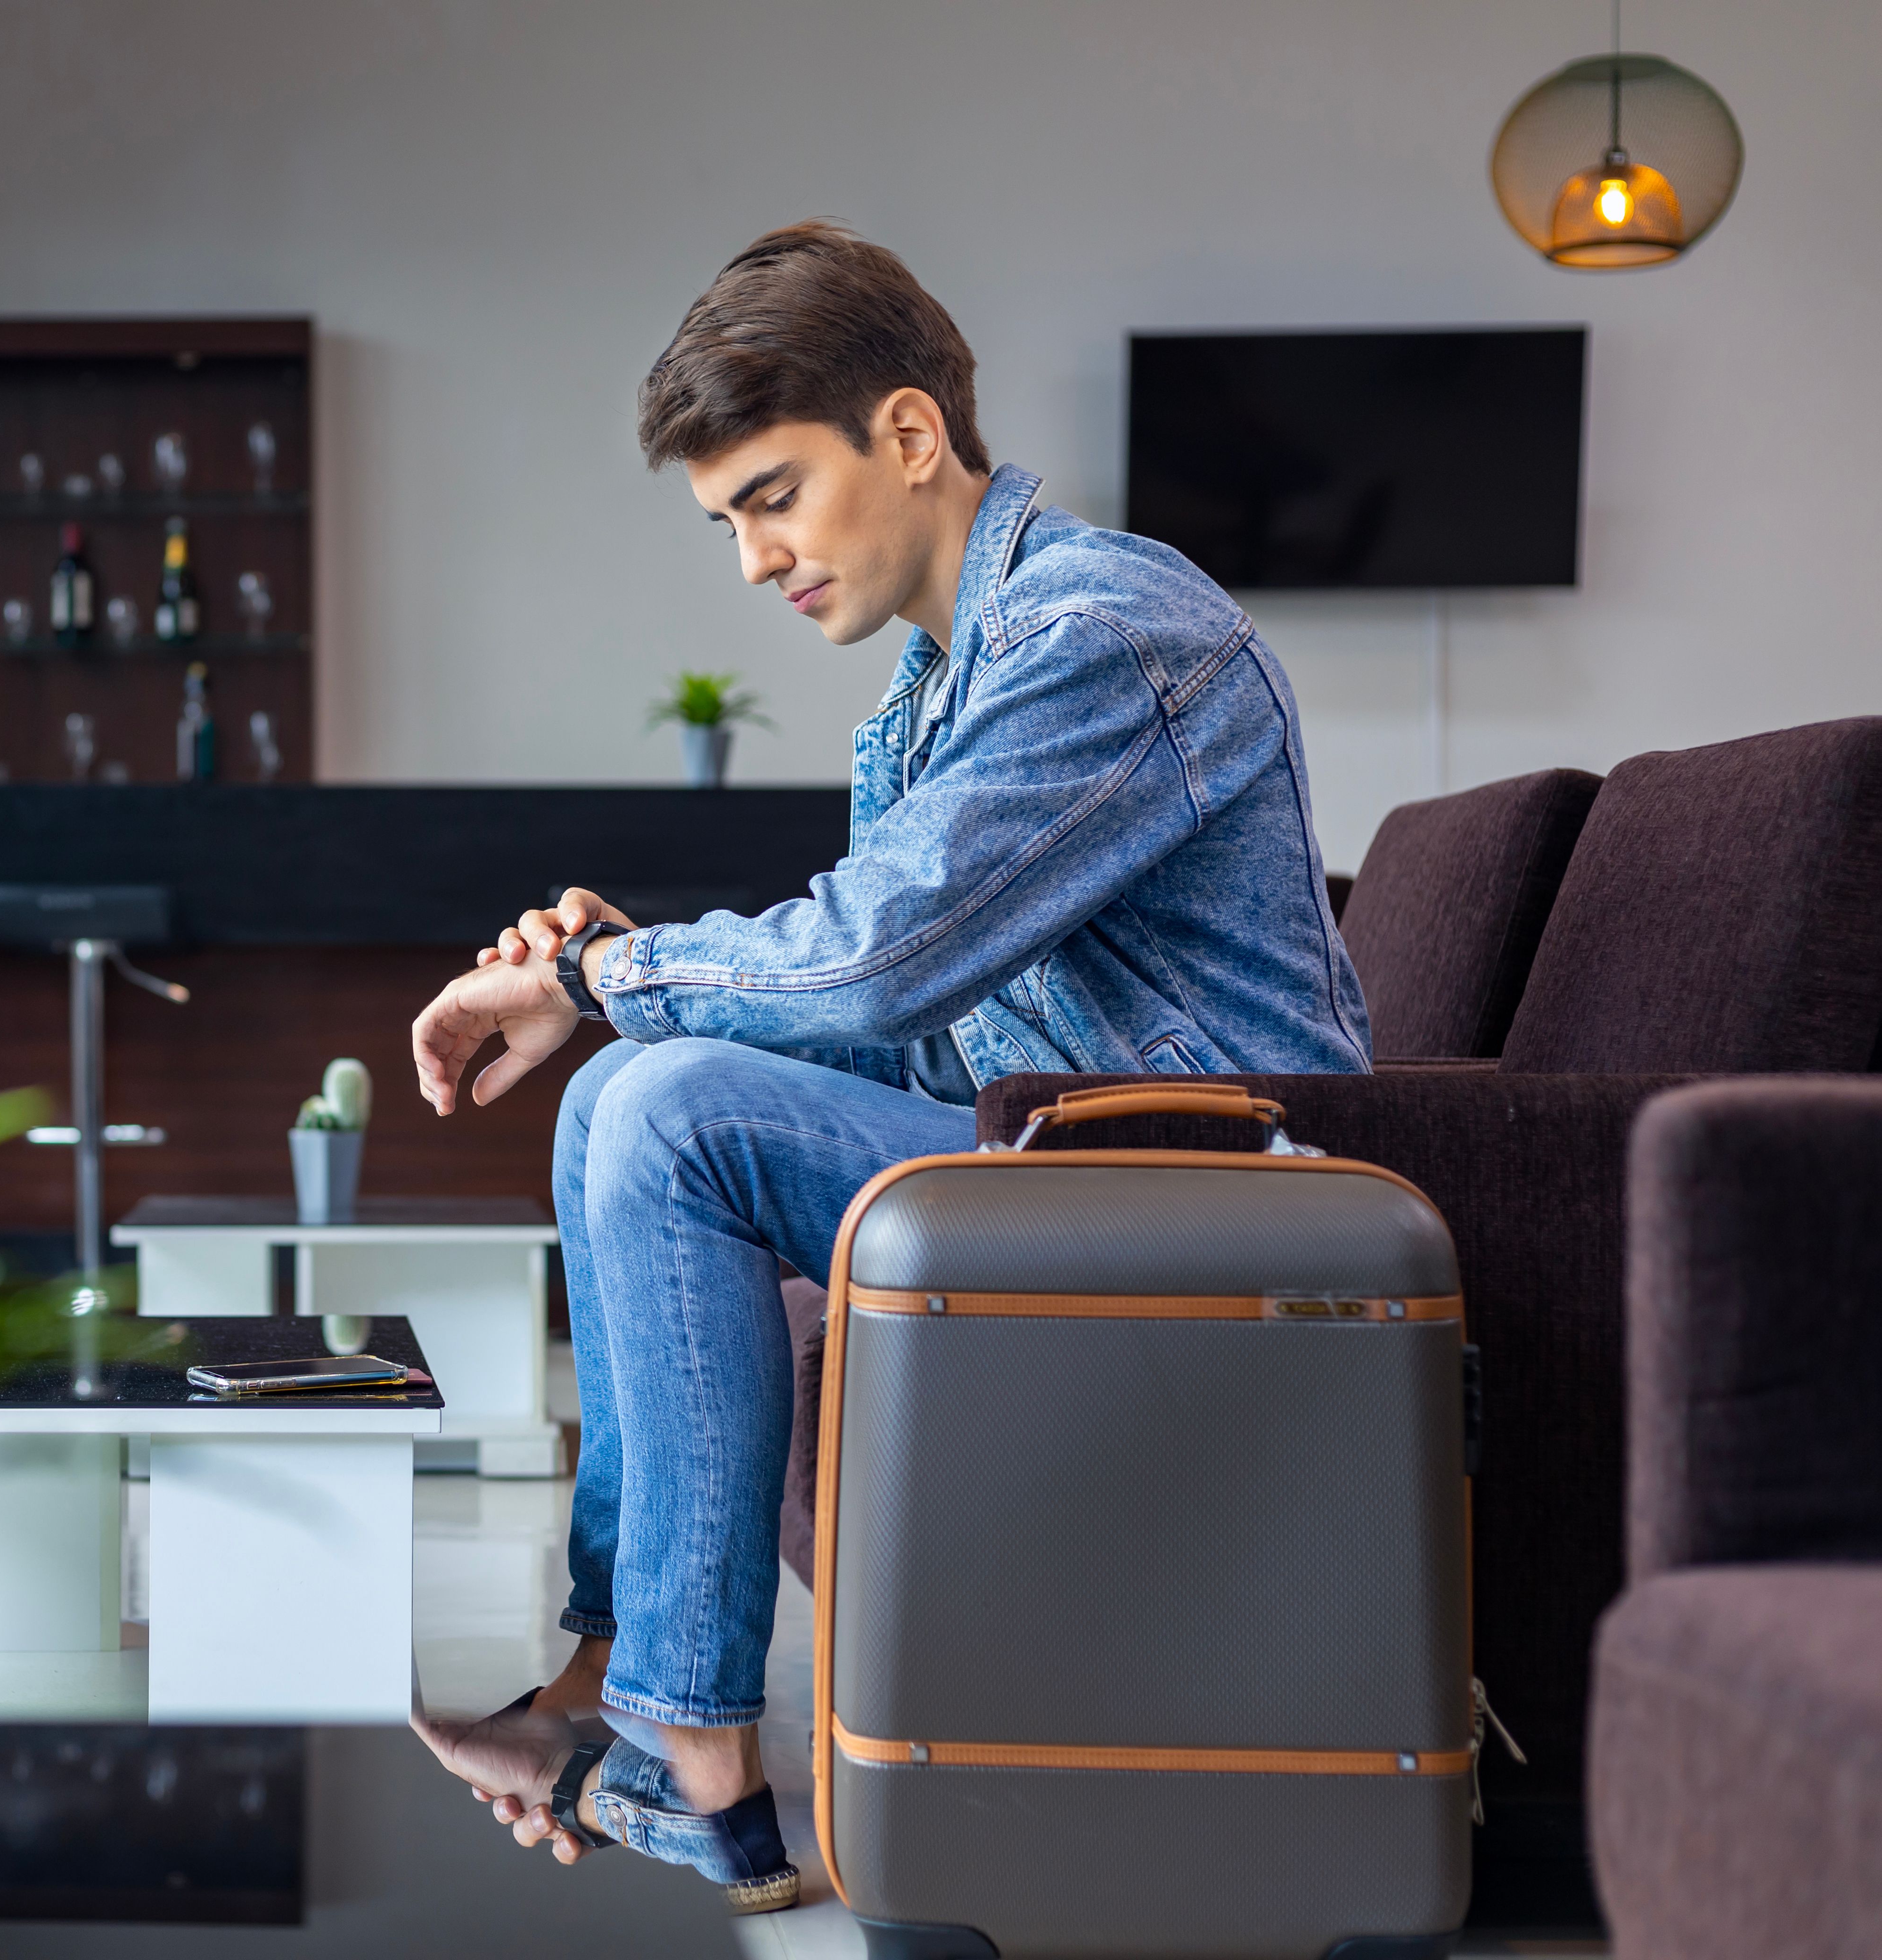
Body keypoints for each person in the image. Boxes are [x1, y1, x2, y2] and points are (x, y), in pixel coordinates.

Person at [404, 220, 1370, 1911]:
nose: (755, 559)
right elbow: (931, 1023)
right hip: (1062, 1157)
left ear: (910, 435)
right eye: (728, 522)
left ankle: (693, 1755)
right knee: (628, 1093)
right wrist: (639, 983)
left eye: (772, 494)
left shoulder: (1103, 630)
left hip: (1210, 1198)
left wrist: (615, 974)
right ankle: (621, 1663)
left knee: (666, 1099)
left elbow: (881, 963)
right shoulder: (932, 694)